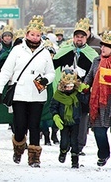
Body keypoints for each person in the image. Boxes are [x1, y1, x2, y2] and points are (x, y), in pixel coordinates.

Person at [0, 15, 55, 168]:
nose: (35, 37)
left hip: (37, 94)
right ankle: (19, 147)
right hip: (20, 94)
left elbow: (52, 72)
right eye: (32, 34)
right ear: (27, 34)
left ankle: (34, 157)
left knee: (35, 125)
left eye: (38, 35)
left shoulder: (45, 52)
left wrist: (46, 79)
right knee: (20, 126)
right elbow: (6, 71)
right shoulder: (17, 50)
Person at [52, 18, 98, 156]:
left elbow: (95, 73)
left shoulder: (92, 54)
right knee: (66, 119)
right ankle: (65, 144)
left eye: (82, 37)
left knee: (82, 120)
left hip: (81, 92)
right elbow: (53, 66)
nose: (79, 39)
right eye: (77, 36)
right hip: (65, 92)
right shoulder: (65, 50)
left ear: (86, 37)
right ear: (73, 37)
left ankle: (78, 147)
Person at [50, 67, 87, 169]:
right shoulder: (58, 95)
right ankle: (63, 151)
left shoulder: (77, 94)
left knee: (75, 142)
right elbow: (53, 106)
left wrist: (84, 90)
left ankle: (75, 161)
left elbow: (85, 102)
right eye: (67, 86)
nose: (69, 88)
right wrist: (55, 116)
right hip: (64, 122)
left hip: (75, 121)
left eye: (71, 86)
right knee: (64, 141)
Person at [84, 30, 111, 167]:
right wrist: (85, 86)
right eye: (102, 46)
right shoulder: (96, 60)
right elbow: (90, 76)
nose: (102, 48)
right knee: (99, 131)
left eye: (106, 46)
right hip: (99, 102)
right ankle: (104, 154)